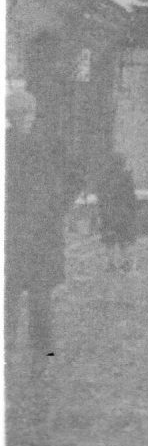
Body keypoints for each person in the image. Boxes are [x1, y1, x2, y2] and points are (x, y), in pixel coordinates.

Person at [5, 88, 72, 367]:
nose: (24, 119)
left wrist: (59, 204)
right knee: (9, 293)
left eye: (27, 114)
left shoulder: (47, 143)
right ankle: (8, 346)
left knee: (39, 295)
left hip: (40, 230)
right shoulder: (9, 145)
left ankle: (42, 351)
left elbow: (68, 177)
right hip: (14, 231)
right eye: (18, 115)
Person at [97, 151, 138, 271]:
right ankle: (126, 262)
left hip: (108, 213)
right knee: (124, 239)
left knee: (109, 240)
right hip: (123, 213)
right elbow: (131, 197)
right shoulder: (126, 177)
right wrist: (132, 211)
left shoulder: (104, 178)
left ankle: (110, 263)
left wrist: (102, 211)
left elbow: (101, 197)